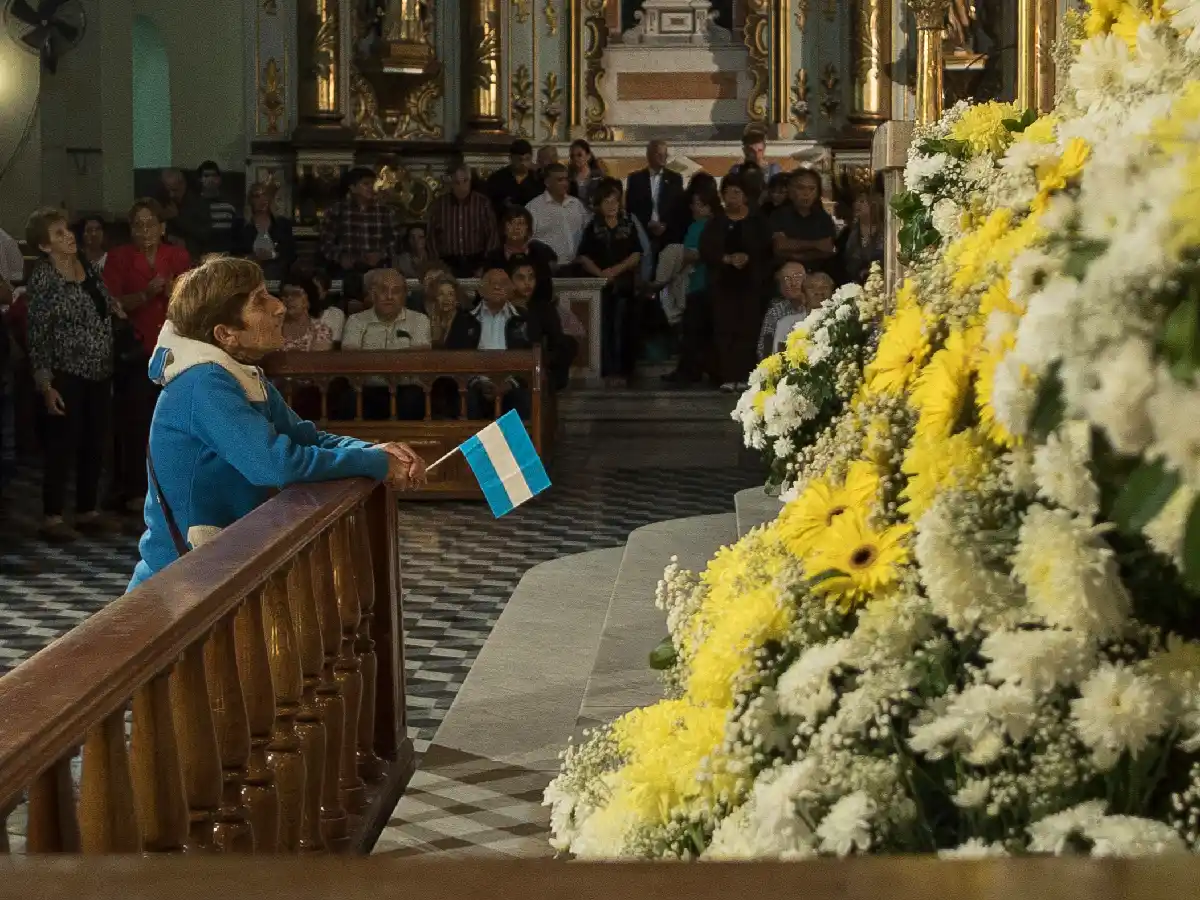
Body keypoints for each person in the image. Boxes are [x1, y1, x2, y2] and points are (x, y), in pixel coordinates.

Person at [128, 256, 425, 588]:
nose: (279, 307)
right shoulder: (204, 383)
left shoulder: (237, 373)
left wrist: (373, 450)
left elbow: (304, 437)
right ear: (225, 334)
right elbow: (274, 463)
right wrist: (372, 462)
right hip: (175, 587)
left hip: (212, 574)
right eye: (260, 301)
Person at [24, 207, 119, 541]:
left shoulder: (88, 268)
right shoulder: (45, 277)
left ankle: (87, 509)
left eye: (67, 230)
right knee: (62, 443)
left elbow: (106, 305)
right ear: (45, 246)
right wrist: (46, 384)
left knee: (94, 441)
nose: (69, 237)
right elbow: (37, 332)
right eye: (59, 234)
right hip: (66, 369)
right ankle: (52, 515)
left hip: (99, 368)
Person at [104, 198, 193, 515]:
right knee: (136, 423)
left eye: (150, 223)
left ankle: (173, 488)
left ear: (162, 227)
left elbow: (193, 301)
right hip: (137, 351)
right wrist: (145, 294)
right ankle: (134, 492)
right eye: (138, 224)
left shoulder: (178, 256)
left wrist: (172, 292)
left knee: (175, 423)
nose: (145, 230)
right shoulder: (119, 258)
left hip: (174, 351)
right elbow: (111, 302)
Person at [700, 171, 773, 392]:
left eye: (736, 192)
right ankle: (728, 376)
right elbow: (707, 249)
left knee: (748, 329)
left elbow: (767, 250)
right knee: (725, 329)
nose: (731, 197)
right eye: (727, 192)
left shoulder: (757, 221)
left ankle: (746, 376)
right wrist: (726, 259)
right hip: (724, 283)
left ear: (744, 196)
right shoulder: (716, 222)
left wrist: (748, 258)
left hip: (751, 283)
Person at [444, 266, 536, 419]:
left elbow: (533, 356)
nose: (498, 286)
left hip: (511, 384)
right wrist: (477, 382)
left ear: (511, 289)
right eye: (491, 282)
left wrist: (510, 383)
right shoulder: (464, 319)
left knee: (520, 399)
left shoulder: (524, 319)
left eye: (503, 283)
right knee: (467, 398)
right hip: (475, 384)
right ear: (480, 289)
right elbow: (452, 357)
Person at [576, 180, 643, 387]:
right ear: (599, 204)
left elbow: (636, 254)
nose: (612, 205)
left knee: (623, 326)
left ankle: (624, 370)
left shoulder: (628, 224)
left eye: (615, 201)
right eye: (607, 201)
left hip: (624, 283)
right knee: (604, 326)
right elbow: (583, 256)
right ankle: (606, 369)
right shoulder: (592, 226)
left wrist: (616, 270)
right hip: (599, 286)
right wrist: (601, 274)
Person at [340, 268, 431, 420]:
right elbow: (351, 359)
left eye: (396, 291)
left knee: (414, 397)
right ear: (372, 293)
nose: (389, 296)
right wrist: (400, 358)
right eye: (383, 290)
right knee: (350, 398)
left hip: (406, 389)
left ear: (404, 295)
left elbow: (418, 359)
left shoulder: (419, 320)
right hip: (368, 388)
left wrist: (372, 360)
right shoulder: (356, 321)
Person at [663, 181, 721, 386]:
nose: (693, 207)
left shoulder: (697, 227)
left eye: (697, 203)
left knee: (692, 331)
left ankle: (689, 372)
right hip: (715, 286)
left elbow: (689, 254)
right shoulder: (719, 225)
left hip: (698, 285)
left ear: (707, 206)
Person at [319, 167, 402, 296]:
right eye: (365, 184)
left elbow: (394, 240)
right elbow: (325, 243)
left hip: (378, 268)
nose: (370, 188)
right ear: (352, 188)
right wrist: (341, 258)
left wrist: (381, 254)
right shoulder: (337, 211)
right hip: (347, 270)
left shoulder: (385, 212)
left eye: (372, 184)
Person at [425, 165, 498, 278]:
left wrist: (485, 266)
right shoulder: (439, 205)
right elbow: (431, 238)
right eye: (457, 182)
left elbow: (492, 236)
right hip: (447, 264)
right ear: (451, 184)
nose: (461, 186)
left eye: (465, 181)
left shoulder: (483, 203)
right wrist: (439, 267)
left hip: (477, 261)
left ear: (470, 181)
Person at [770, 168, 837, 275]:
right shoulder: (778, 215)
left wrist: (796, 253)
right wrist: (815, 245)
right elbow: (780, 246)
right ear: (790, 191)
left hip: (817, 275)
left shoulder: (823, 218)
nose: (806, 193)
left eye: (811, 189)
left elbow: (828, 249)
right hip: (786, 275)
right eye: (801, 188)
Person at [625, 140, 685, 255]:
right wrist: (647, 223)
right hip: (642, 232)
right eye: (659, 154)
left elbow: (679, 209)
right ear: (649, 155)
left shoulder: (675, 179)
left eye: (665, 154)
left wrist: (665, 225)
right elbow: (631, 208)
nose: (663, 157)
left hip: (668, 233)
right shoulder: (635, 179)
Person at [527, 162, 590, 271]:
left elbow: (589, 232)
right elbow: (527, 241)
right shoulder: (534, 208)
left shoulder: (576, 205)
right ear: (547, 182)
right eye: (560, 180)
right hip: (549, 271)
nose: (565, 183)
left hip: (578, 268)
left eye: (566, 179)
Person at [235, 182, 295, 290]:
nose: (262, 200)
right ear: (251, 201)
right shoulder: (243, 227)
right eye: (257, 196)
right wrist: (253, 257)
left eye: (265, 195)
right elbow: (236, 254)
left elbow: (290, 253)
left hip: (279, 274)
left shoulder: (282, 224)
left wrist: (274, 255)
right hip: (252, 272)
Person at [160, 168, 213, 261]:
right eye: (167, 190)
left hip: (194, 254)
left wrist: (177, 218)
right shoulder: (165, 200)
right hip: (169, 252)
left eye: (174, 190)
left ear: (183, 184)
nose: (171, 195)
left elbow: (205, 234)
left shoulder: (199, 203)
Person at [758, 261, 807, 359]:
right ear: (780, 286)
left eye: (797, 277)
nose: (793, 283)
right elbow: (764, 349)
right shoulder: (776, 311)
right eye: (787, 279)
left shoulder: (818, 303)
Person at [836, 192, 886, 285]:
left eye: (862, 201)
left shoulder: (884, 231)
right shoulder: (848, 232)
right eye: (856, 201)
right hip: (853, 281)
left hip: (879, 280)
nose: (856, 204)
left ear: (873, 205)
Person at [485, 139, 543, 219]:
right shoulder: (497, 179)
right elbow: (489, 205)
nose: (523, 163)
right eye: (520, 159)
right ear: (511, 158)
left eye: (527, 159)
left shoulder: (537, 180)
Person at [197, 161, 239, 255]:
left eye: (214, 176)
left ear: (219, 179)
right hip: (202, 258)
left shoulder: (229, 206)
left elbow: (235, 236)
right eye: (206, 176)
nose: (211, 179)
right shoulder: (194, 205)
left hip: (225, 257)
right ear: (200, 179)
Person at [567, 138, 605, 207]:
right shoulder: (568, 177)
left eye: (579, 155)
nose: (575, 158)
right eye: (572, 156)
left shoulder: (598, 176)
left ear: (588, 156)